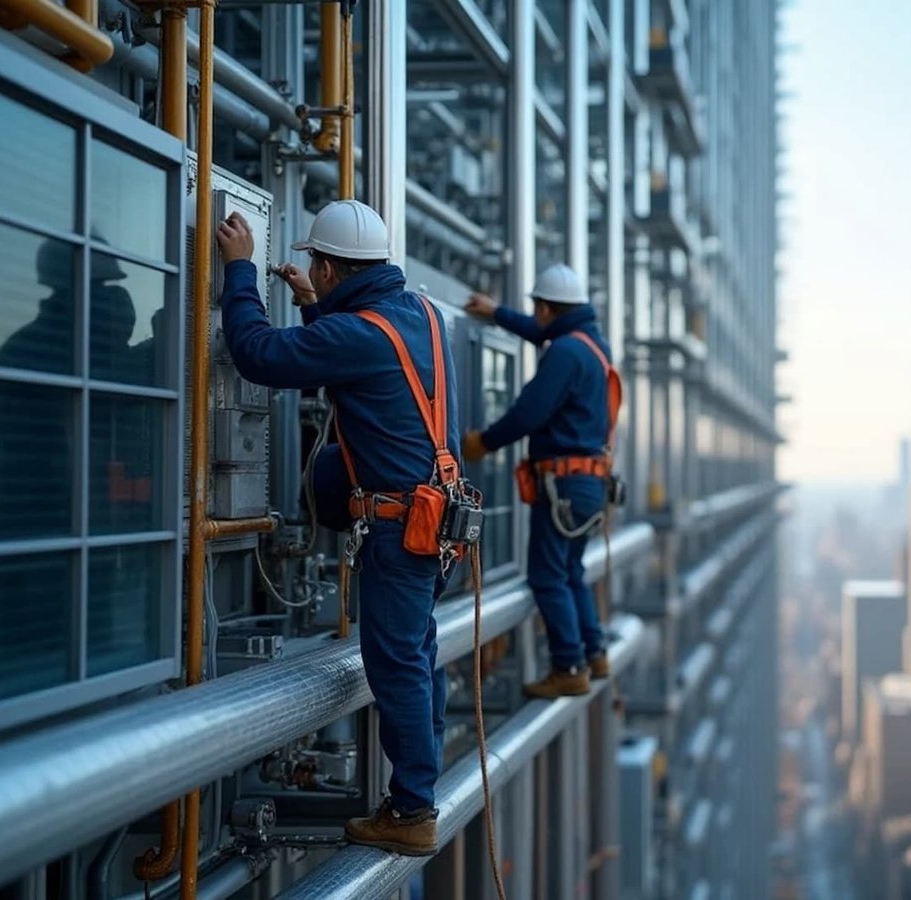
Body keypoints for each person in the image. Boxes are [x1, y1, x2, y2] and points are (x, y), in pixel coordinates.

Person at [215, 200, 460, 856]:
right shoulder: (421, 316)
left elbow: (259, 355)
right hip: (437, 523)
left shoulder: (360, 334)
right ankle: (416, 792)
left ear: (327, 266)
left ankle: (412, 810)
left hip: (399, 532)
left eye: (314, 269)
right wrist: (315, 307)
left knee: (398, 662)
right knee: (417, 657)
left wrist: (239, 273)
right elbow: (366, 361)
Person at [462, 264, 618, 699]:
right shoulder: (592, 345)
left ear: (547, 307)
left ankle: (569, 665)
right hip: (588, 485)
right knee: (569, 570)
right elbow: (541, 332)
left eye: (538, 310)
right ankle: (594, 652)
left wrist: (485, 442)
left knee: (548, 576)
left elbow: (529, 414)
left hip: (563, 487)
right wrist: (498, 314)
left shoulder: (566, 353)